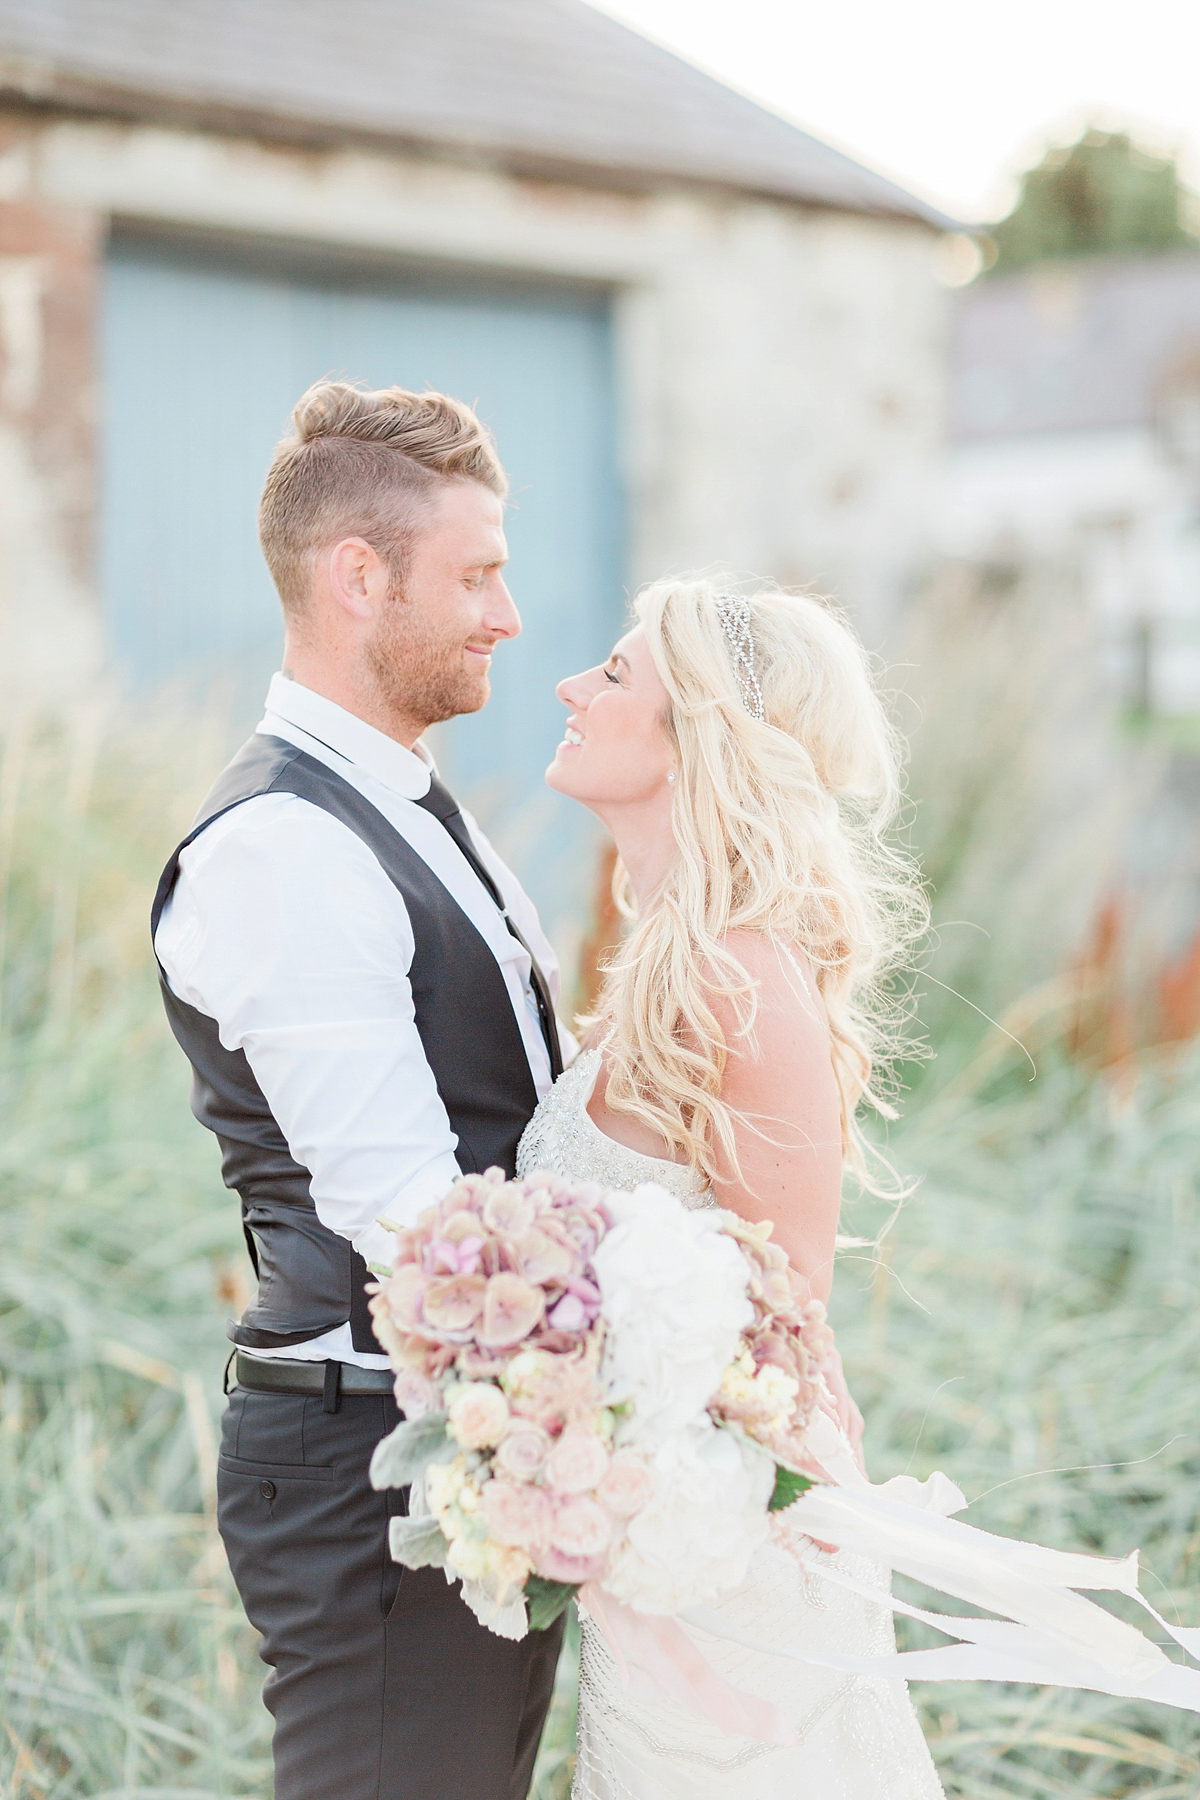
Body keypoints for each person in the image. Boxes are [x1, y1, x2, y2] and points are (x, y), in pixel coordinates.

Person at [151, 380, 570, 1800]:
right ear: (357, 579)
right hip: (369, 1463)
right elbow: (416, 1220)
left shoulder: (412, 807)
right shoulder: (283, 845)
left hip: (460, 1437)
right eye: (477, 575)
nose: (507, 613)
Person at [516, 576, 945, 1797]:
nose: (570, 688)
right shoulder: (666, 959)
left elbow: (783, 1311)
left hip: (731, 1563)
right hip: (656, 1551)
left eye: (611, 674)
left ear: (690, 734)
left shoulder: (735, 975)